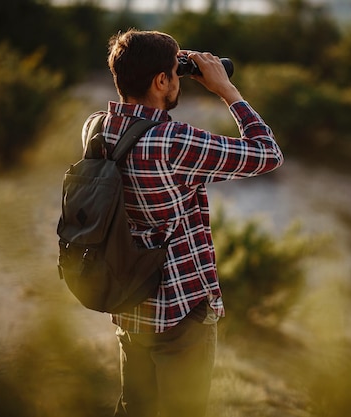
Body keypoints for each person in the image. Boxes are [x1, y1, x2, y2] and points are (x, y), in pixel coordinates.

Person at [84, 29, 284, 417]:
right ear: (162, 80)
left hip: (127, 303)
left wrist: (169, 63)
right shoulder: (174, 142)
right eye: (175, 73)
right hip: (179, 313)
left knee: (134, 409)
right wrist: (228, 91)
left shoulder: (96, 128)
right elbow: (267, 153)